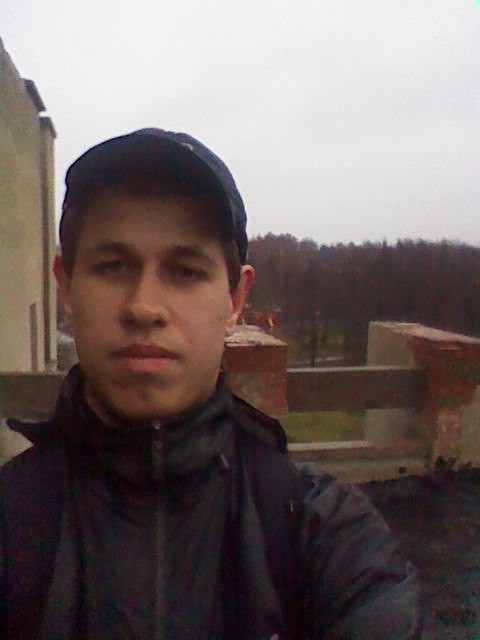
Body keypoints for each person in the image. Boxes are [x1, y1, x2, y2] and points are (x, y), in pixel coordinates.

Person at [0, 128, 422, 639]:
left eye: (185, 271)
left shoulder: (323, 535)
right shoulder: (11, 525)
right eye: (112, 267)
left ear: (235, 299)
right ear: (66, 285)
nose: (144, 307)